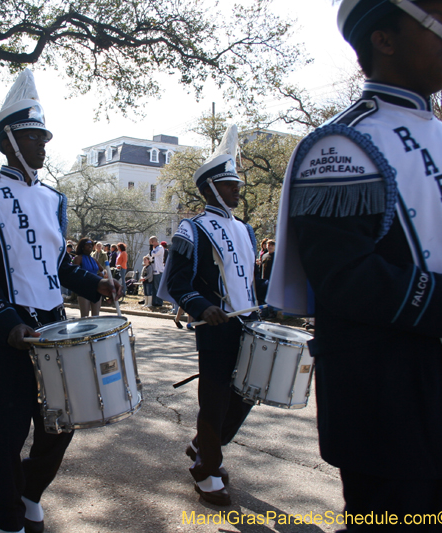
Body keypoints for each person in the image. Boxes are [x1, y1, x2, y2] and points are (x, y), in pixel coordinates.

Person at [267, 0, 442, 526]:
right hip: (388, 408)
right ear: (384, 40)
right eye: (436, 25)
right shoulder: (341, 143)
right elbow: (347, 280)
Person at [0, 68, 122, 533]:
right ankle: (9, 515)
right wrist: (7, 325)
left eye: (44, 137)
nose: (43, 145)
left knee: (62, 425)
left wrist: (96, 286)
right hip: (13, 332)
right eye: (34, 136)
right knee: (8, 433)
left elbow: (58, 266)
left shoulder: (54, 199)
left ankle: (27, 490)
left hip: (54, 328)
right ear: (9, 139)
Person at [163, 126, 265, 506]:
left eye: (237, 182)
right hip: (215, 326)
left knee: (246, 396)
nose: (237, 189)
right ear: (208, 190)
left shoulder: (247, 230)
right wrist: (202, 306)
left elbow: (249, 280)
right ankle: (206, 469)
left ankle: (202, 445)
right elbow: (178, 283)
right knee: (216, 397)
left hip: (248, 323)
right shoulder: (192, 228)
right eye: (228, 184)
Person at [72, 237, 103, 317]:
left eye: (91, 245)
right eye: (87, 245)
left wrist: (101, 274)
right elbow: (75, 273)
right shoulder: (78, 258)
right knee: (84, 317)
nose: (90, 246)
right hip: (84, 289)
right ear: (82, 246)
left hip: (96, 288)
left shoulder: (94, 259)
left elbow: (102, 270)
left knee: (96, 316)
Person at [148, 236, 165, 306]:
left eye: (150, 243)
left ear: (153, 242)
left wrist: (151, 247)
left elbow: (153, 254)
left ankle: (159, 302)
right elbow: (150, 257)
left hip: (159, 270)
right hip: (154, 270)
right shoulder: (154, 249)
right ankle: (154, 301)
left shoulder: (160, 248)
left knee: (158, 287)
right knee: (154, 288)